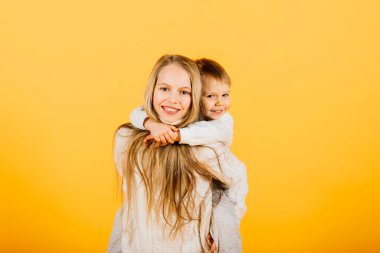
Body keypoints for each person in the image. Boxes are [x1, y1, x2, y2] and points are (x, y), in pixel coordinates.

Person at [108, 54, 229, 253]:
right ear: (152, 90)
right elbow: (129, 209)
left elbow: (223, 199)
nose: (173, 99)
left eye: (184, 92)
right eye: (164, 88)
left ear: (195, 98)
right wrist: (150, 123)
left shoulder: (207, 148)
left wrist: (222, 238)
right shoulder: (126, 140)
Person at [130, 58, 248, 253]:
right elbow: (136, 113)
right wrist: (151, 124)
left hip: (218, 189)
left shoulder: (222, 123)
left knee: (225, 222)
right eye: (210, 96)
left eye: (225, 95)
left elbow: (208, 134)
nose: (219, 103)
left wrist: (177, 135)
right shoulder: (188, 113)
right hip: (195, 193)